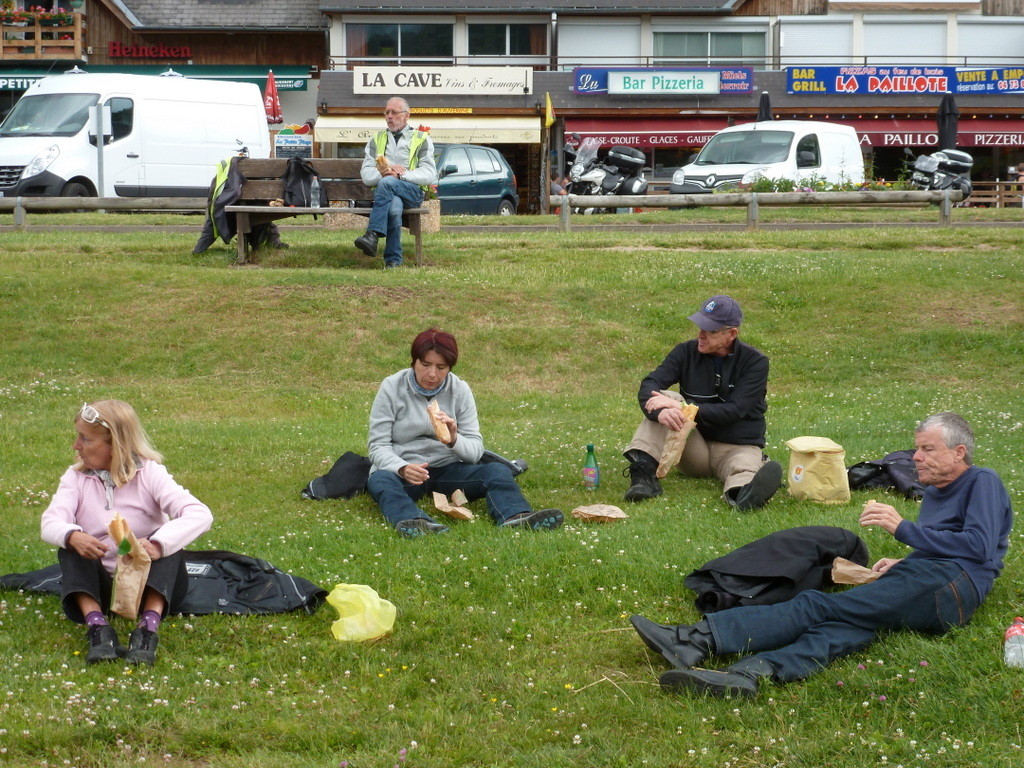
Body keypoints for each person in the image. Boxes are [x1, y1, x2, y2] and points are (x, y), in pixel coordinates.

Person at [630, 412, 1013, 698]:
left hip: (951, 588)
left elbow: (979, 547)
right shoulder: (936, 493)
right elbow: (945, 542)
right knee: (848, 626)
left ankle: (696, 639)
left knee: (818, 605)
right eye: (917, 448)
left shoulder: (982, 481)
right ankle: (751, 674)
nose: (915, 457)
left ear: (959, 452)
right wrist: (906, 561)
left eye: (927, 448)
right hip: (932, 581)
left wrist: (904, 530)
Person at [40, 401, 213, 665]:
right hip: (101, 588)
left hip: (148, 583)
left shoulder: (150, 473)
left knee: (169, 543)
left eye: (85, 439)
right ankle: (98, 628)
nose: (76, 445)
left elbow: (200, 514)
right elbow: (51, 522)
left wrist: (157, 544)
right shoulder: (75, 477)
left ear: (115, 444)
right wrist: (73, 535)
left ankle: (147, 629)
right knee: (69, 543)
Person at [367, 328, 563, 538]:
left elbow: (475, 452)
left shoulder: (460, 390)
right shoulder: (392, 387)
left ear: (450, 368)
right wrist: (402, 467)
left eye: (441, 367)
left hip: (448, 470)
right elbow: (377, 445)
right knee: (380, 480)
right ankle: (416, 522)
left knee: (496, 471)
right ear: (414, 362)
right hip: (407, 470)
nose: (432, 374)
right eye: (425, 365)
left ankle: (516, 517)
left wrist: (454, 440)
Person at [622, 294, 782, 510]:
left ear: (732, 334)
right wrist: (659, 412)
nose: (701, 335)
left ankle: (742, 495)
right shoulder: (685, 352)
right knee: (664, 399)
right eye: (700, 326)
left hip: (737, 447)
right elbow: (651, 383)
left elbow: (734, 411)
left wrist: (683, 409)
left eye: (710, 330)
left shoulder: (755, 362)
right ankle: (644, 477)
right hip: (693, 449)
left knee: (743, 468)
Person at [354, 97, 438, 268]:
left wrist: (401, 176)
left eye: (394, 112)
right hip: (387, 193)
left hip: (412, 192)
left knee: (389, 182)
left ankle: (373, 234)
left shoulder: (422, 138)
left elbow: (429, 174)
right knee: (393, 208)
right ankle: (392, 260)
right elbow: (366, 175)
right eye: (387, 112)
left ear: (406, 116)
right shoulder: (376, 139)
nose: (389, 116)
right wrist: (385, 173)